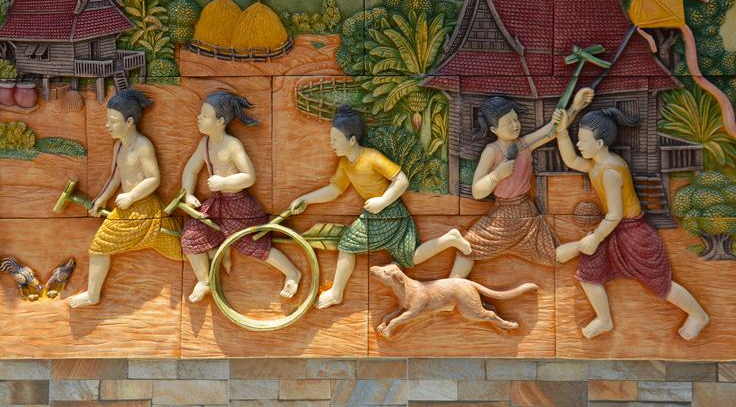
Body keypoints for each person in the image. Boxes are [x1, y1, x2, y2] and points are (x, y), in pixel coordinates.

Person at [289, 105, 471, 309]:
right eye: (331, 139)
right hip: (384, 215)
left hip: (387, 213)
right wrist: (306, 199)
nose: (331, 143)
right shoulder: (346, 164)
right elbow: (334, 190)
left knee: (347, 244)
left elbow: (401, 181)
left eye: (335, 139)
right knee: (410, 258)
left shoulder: (371, 157)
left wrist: (382, 201)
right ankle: (450, 239)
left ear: (352, 140)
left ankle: (336, 293)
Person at [553, 107, 709, 340]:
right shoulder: (596, 164)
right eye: (578, 139)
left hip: (633, 232)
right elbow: (571, 159)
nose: (579, 144)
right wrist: (562, 132)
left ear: (599, 143)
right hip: (612, 229)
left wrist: (595, 238)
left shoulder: (610, 172)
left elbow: (615, 214)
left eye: (583, 140)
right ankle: (604, 320)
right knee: (588, 273)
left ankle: (698, 315)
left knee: (660, 282)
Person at [447, 88, 594, 278]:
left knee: (467, 247)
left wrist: (575, 106)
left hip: (521, 214)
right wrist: (496, 175)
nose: (515, 125)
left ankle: (452, 286)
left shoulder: (522, 144)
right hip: (505, 215)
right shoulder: (492, 151)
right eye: (508, 122)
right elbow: (477, 191)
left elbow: (552, 131)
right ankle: (587, 242)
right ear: (494, 130)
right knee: (467, 247)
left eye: (516, 119)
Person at [180, 91, 301, 303]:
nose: (199, 118)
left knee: (251, 243)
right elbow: (191, 169)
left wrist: (224, 183)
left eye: (205, 115)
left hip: (238, 206)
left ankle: (292, 272)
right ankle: (204, 280)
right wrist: (188, 194)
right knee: (191, 234)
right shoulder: (205, 144)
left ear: (220, 121)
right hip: (217, 205)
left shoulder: (232, 145)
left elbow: (249, 176)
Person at [68, 88, 182, 308]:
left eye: (113, 121)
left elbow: (153, 179)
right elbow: (116, 177)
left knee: (174, 249)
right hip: (128, 209)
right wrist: (102, 199)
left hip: (143, 209)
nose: (107, 125)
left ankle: (93, 295)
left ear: (129, 122)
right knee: (102, 246)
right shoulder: (119, 145)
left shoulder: (142, 146)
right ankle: (92, 294)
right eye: (107, 121)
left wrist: (131, 196)